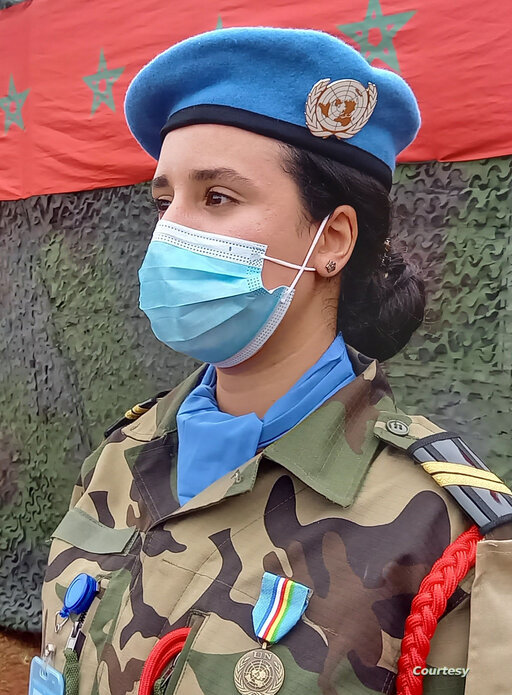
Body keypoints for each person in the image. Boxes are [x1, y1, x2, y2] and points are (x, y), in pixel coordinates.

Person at [37, 27, 510, 695]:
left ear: (332, 240)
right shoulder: (123, 454)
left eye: (217, 197)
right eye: (164, 201)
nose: (169, 232)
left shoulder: (438, 530)